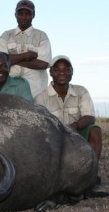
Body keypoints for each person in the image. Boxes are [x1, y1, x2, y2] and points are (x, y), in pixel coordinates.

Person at [34, 55, 105, 194]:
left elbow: (89, 116)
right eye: (58, 69)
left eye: (66, 69)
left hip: (77, 134)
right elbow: (41, 127)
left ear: (72, 72)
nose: (62, 73)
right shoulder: (40, 98)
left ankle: (90, 177)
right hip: (54, 138)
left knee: (95, 130)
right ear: (51, 73)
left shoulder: (81, 91)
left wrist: (75, 127)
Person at [0, 0, 52, 98]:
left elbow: (43, 64)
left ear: (33, 15)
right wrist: (27, 55)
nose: (24, 17)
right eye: (20, 14)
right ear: (15, 15)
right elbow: (0, 61)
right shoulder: (6, 35)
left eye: (27, 14)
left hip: (35, 92)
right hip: (9, 89)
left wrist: (12, 60)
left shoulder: (41, 36)